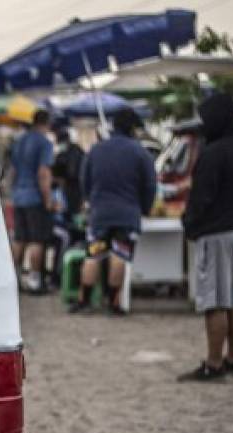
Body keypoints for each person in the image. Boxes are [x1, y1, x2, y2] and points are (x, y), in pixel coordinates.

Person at [178, 92, 233, 382]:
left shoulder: (213, 153)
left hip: (217, 235)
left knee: (214, 301)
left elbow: (201, 199)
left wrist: (190, 225)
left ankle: (213, 364)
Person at [72, 108, 156, 315]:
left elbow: (84, 181)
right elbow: (150, 185)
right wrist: (145, 207)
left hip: (99, 213)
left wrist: (91, 200)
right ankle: (113, 302)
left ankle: (84, 300)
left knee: (93, 254)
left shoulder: (97, 149)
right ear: (133, 129)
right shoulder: (140, 152)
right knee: (119, 254)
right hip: (127, 214)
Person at [9, 109, 56, 294]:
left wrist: (13, 192)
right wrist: (48, 200)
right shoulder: (44, 143)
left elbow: (12, 171)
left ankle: (14, 278)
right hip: (35, 197)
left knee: (19, 239)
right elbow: (43, 173)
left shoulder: (20, 141)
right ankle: (35, 280)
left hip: (18, 196)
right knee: (37, 240)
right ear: (47, 123)